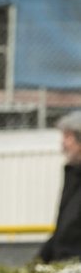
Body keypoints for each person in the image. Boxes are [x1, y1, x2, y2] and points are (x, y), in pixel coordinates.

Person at [39, 110, 81, 262]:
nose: (63, 144)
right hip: (65, 266)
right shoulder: (73, 176)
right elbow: (63, 231)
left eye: (67, 137)